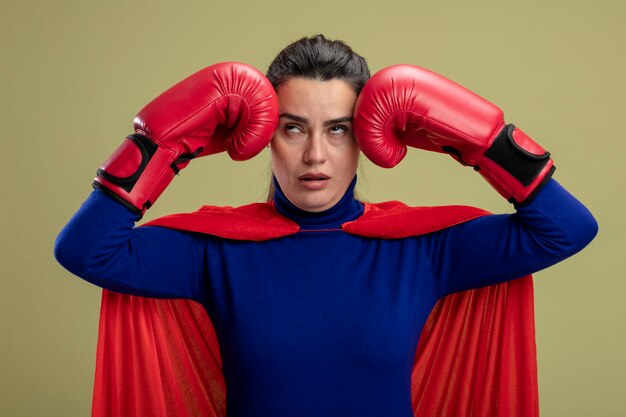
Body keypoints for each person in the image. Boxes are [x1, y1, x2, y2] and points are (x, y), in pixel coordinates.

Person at [54, 34, 598, 417]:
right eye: (294, 128)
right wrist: (161, 146)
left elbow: (565, 228)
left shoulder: (421, 249)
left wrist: (480, 141)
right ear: (263, 133)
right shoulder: (216, 252)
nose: (315, 154)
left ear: (368, 134)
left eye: (337, 129)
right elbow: (85, 250)